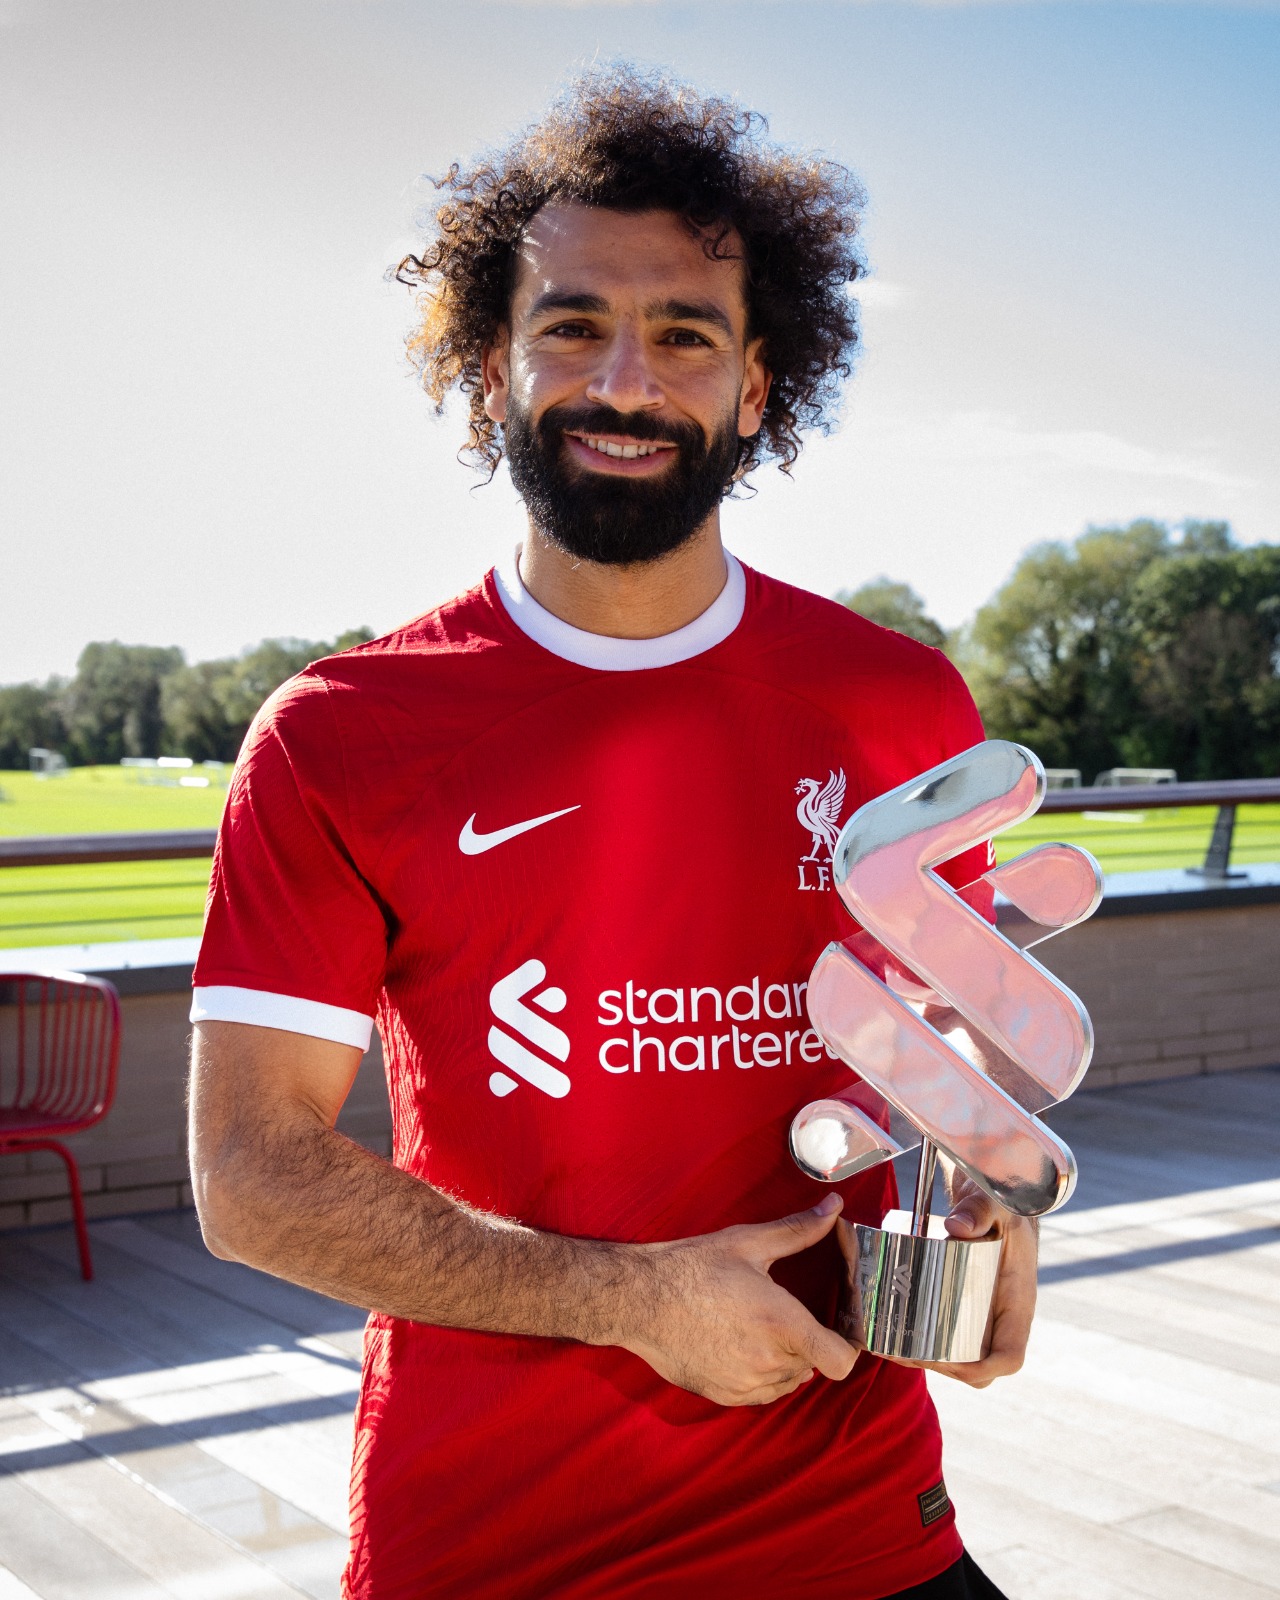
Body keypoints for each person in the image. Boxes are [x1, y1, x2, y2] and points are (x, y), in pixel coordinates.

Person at [187, 65, 1034, 1600]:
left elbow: (942, 1056)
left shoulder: (903, 707)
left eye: (685, 335)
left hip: (859, 1527)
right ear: (489, 374)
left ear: (759, 388)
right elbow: (249, 1176)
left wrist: (978, 1208)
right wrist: (627, 1299)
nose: (627, 382)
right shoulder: (338, 734)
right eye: (571, 326)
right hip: (503, 1549)